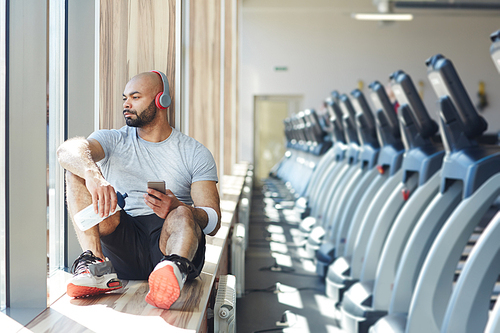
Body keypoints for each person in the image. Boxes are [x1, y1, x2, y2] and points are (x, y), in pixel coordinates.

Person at [57, 71, 221, 310]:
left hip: (171, 242)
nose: (126, 103)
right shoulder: (113, 140)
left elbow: (213, 221)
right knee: (76, 170)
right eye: (125, 97)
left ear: (161, 100)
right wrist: (94, 177)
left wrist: (179, 207)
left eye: (135, 97)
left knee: (183, 214)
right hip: (125, 242)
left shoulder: (194, 152)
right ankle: (95, 265)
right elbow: (67, 151)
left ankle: (171, 271)